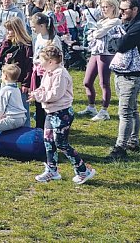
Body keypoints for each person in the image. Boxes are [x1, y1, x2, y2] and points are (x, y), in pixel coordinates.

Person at [30, 45, 96, 184]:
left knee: (61, 143)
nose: (39, 62)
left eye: (41, 60)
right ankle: (52, 170)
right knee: (48, 141)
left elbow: (55, 95)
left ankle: (83, 170)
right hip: (50, 113)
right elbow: (43, 88)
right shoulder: (48, 72)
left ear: (51, 61)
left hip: (62, 114)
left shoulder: (61, 74)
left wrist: (39, 97)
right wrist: (36, 93)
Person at [106, 0, 140, 161]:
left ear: (135, 10)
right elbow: (113, 45)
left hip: (133, 75)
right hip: (122, 72)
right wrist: (116, 43)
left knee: (125, 112)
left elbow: (120, 45)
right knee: (132, 109)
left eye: (124, 9)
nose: (121, 13)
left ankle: (120, 147)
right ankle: (133, 141)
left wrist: (116, 43)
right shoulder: (128, 24)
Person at [75, 0, 121, 121]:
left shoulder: (116, 21)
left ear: (114, 7)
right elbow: (91, 32)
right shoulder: (103, 20)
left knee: (104, 82)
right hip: (96, 52)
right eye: (103, 7)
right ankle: (91, 106)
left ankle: (104, 110)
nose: (104, 9)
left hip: (106, 53)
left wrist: (95, 30)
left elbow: (97, 33)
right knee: (87, 81)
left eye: (107, 7)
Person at [0, 0, 27, 90]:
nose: (7, 0)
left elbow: (22, 28)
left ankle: (5, 87)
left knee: (7, 68)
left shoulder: (17, 12)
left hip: (11, 44)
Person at [29, 12, 62, 129]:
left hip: (49, 74)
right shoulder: (38, 37)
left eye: (34, 26)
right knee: (38, 99)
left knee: (48, 100)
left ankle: (51, 126)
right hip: (38, 73)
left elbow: (58, 58)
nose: (32, 29)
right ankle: (39, 127)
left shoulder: (53, 39)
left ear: (42, 26)